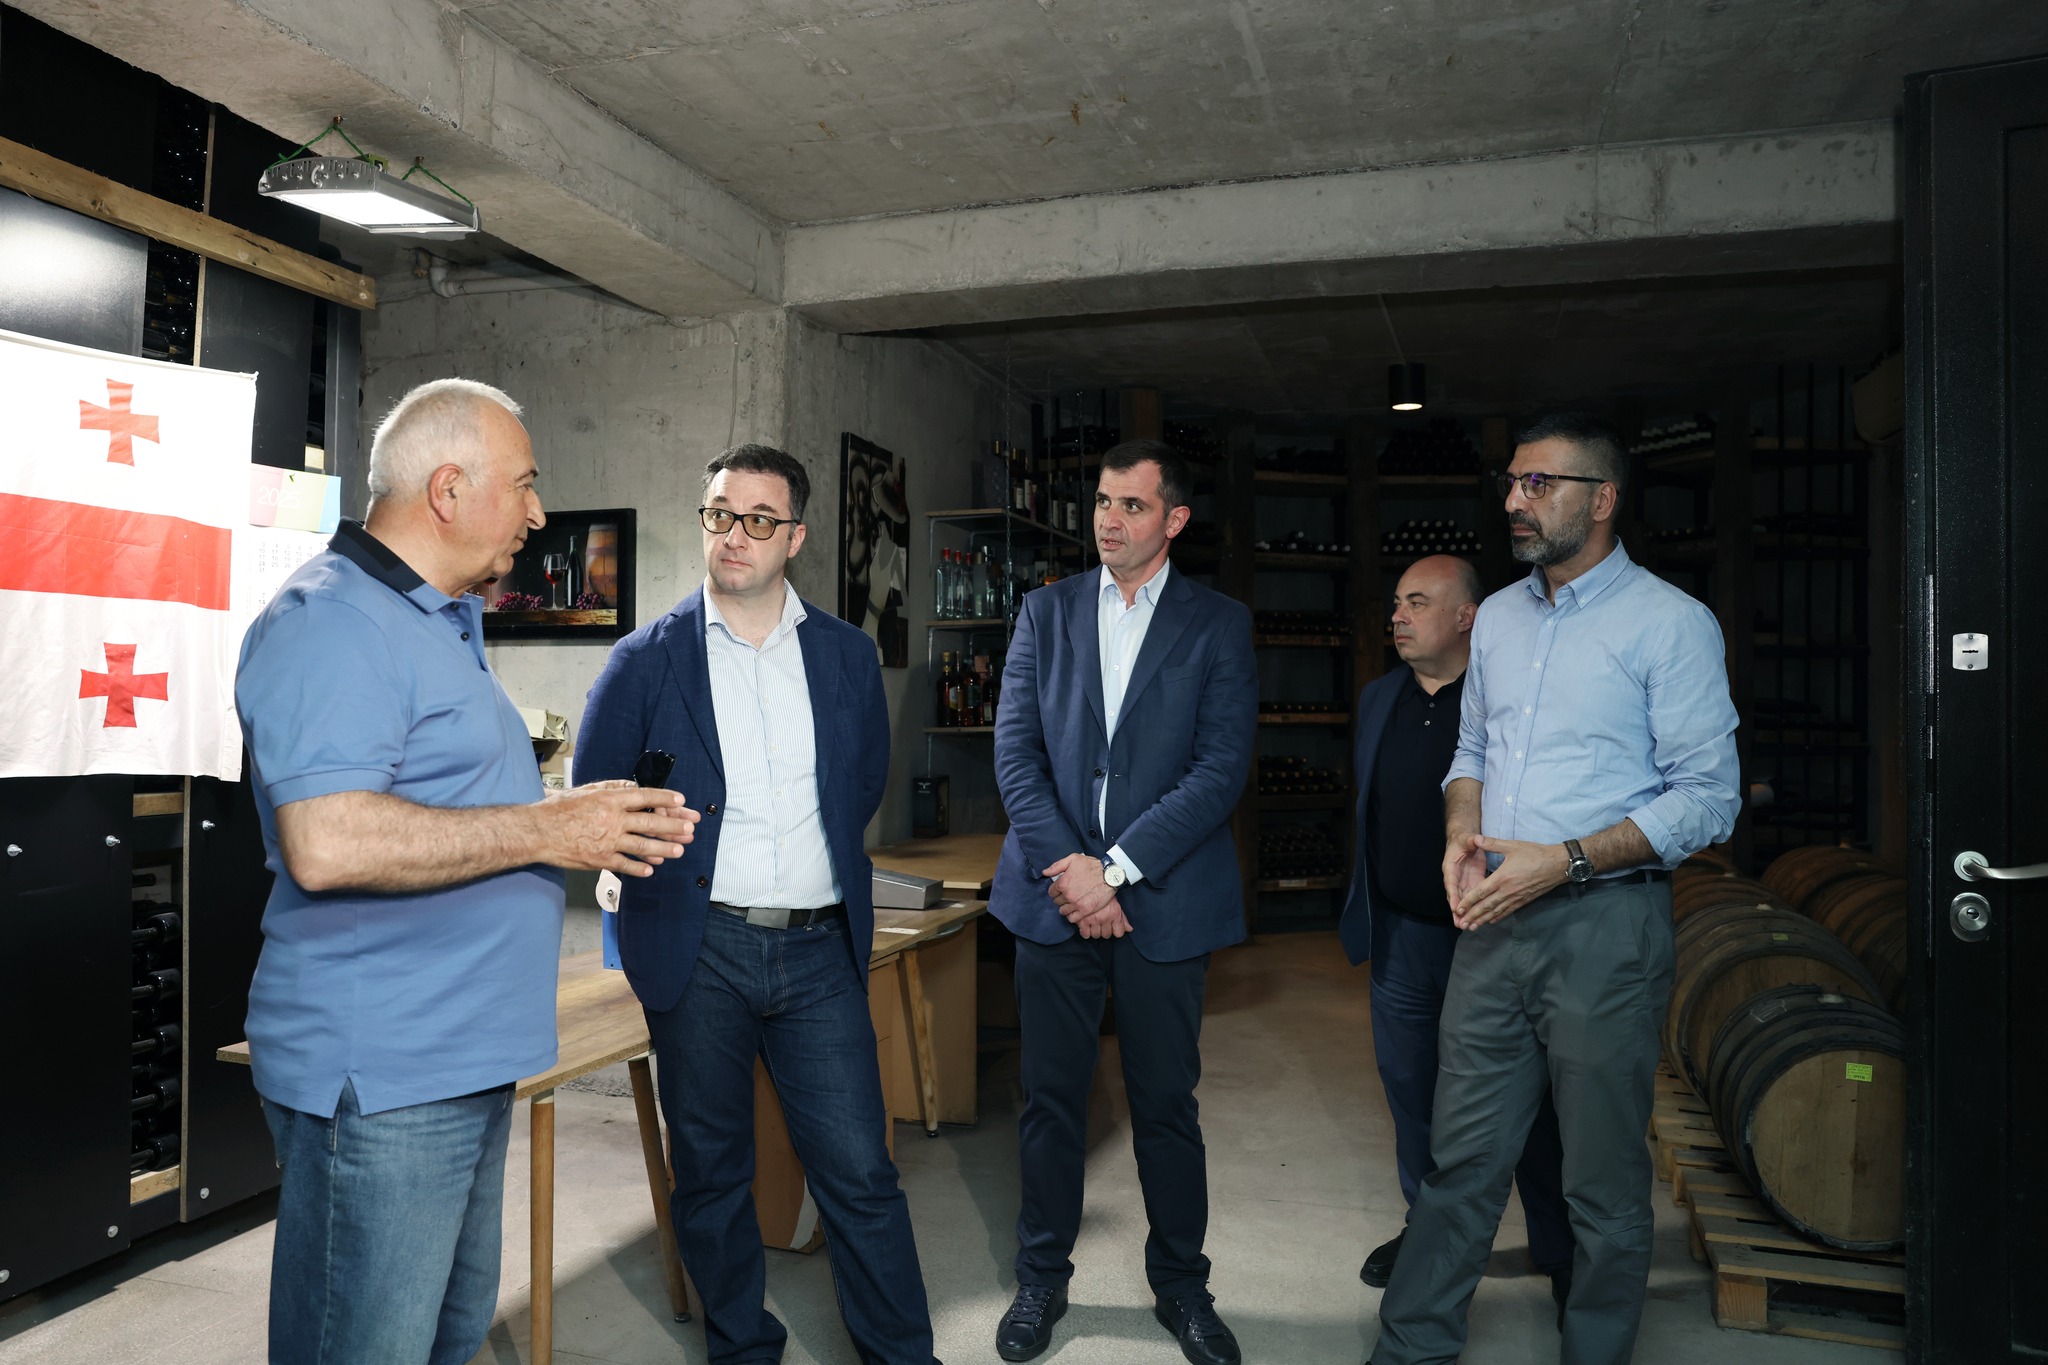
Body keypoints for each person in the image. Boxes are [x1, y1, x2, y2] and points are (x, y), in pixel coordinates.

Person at [234, 378, 700, 1365]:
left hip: (459, 1062)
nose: (538, 511)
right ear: (447, 489)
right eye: (524, 484)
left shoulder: (437, 617)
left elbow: (439, 801)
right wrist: (545, 830)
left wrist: (579, 815)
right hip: (386, 1073)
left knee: (444, 1339)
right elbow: (329, 840)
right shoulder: (332, 622)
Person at [1366, 413, 1740, 1365]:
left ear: (1602, 499)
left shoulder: (1670, 623)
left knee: (1600, 1181)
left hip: (1605, 925)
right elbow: (1473, 748)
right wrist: (1461, 832)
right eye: (1511, 482)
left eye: (1539, 484)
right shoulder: (1498, 616)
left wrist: (1565, 859)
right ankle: (1411, 1347)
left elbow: (1710, 798)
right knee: (1460, 1160)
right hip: (1494, 918)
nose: (1514, 500)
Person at [575, 444, 938, 1365]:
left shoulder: (847, 656)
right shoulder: (644, 659)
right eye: (719, 514)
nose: (734, 534)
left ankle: (902, 1355)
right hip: (700, 950)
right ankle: (742, 1350)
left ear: (795, 537)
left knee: (860, 1171)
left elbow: (858, 787)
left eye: (759, 519)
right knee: (710, 1174)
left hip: (818, 951)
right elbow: (595, 805)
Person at [988, 439, 1258, 1365]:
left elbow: (1219, 769)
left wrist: (1118, 870)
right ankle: (1041, 1277)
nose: (1109, 519)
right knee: (1049, 1101)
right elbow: (1015, 752)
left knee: (1165, 1106)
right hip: (1052, 899)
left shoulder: (1218, 623)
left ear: (1174, 519)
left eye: (1132, 505)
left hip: (1164, 904)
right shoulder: (1046, 610)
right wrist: (1073, 867)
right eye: (1103, 501)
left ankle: (1182, 1286)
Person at [1337, 555, 1574, 1319]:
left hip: (1491, 933)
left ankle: (1560, 1246)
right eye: (1395, 602)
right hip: (1401, 936)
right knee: (1410, 1089)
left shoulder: (1507, 699)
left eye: (1417, 602)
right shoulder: (1379, 697)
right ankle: (1427, 1230)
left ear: (1467, 616)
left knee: (1525, 1100)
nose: (1397, 616)